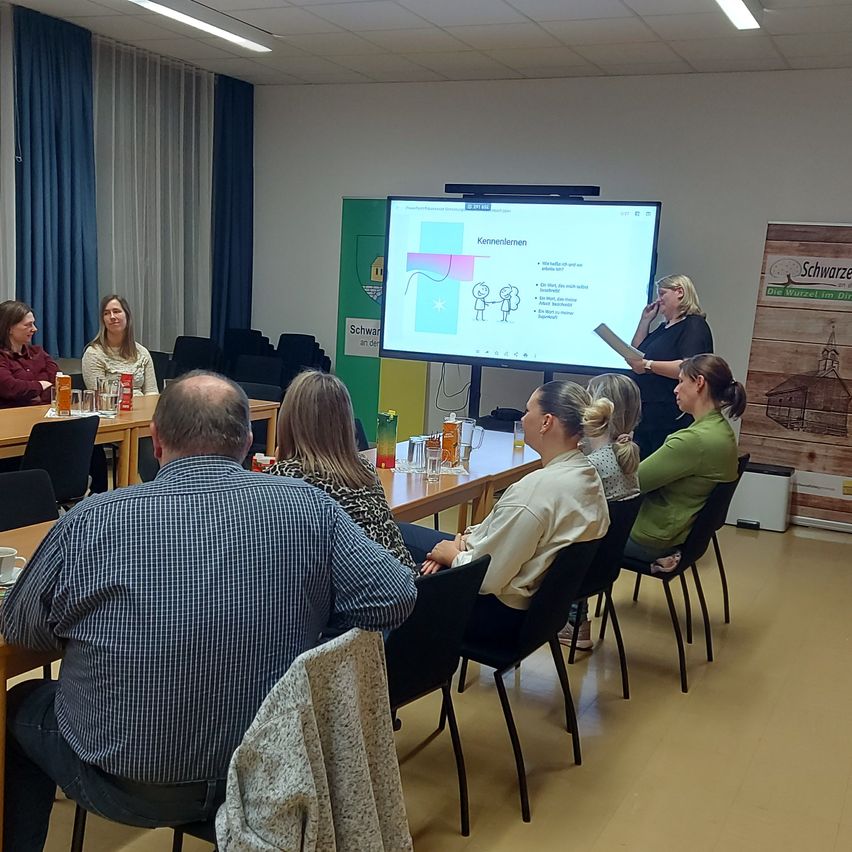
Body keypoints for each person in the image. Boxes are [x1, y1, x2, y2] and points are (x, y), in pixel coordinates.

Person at [0, 371, 417, 852]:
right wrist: (307, 621)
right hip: (270, 776)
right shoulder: (310, 508)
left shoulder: (90, 522)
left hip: (123, 784)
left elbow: (21, 627)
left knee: (19, 704)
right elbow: (395, 595)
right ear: (247, 443)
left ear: (154, 442)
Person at [401, 380, 609, 644]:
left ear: (546, 422)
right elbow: (500, 540)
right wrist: (462, 542)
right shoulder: (587, 476)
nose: (523, 418)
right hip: (536, 616)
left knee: (396, 533)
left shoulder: (535, 491)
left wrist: (452, 555)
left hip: (494, 615)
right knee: (416, 542)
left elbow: (487, 578)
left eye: (527, 411)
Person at [267, 370, 417, 575]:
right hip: (406, 585)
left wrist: (281, 460)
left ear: (289, 420)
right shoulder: (363, 465)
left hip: (361, 601)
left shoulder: (286, 475)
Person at [626, 354, 746, 573]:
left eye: (681, 381)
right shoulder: (722, 431)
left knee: (575, 539)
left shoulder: (692, 441)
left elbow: (632, 483)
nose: (675, 389)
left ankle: (574, 608)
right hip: (681, 536)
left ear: (699, 383)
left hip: (651, 538)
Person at [558, 373, 642, 651]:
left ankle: (567, 622)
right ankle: (577, 622)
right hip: (601, 570)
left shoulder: (591, 467)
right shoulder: (626, 458)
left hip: (577, 569)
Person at [626, 274, 713, 459]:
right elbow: (637, 352)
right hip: (648, 413)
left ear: (680, 292)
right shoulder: (663, 328)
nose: (658, 300)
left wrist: (648, 365)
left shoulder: (693, 325)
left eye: (662, 293)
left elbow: (688, 365)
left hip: (670, 413)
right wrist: (645, 321)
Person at [81, 294, 158, 396]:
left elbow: (152, 392)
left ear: (127, 315)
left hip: (143, 409)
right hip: (111, 409)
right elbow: (100, 397)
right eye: (106, 313)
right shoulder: (93, 353)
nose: (112, 317)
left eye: (116, 311)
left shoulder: (142, 352)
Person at [0, 300, 58, 410]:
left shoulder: (38, 352)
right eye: (28, 325)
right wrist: (40, 386)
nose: (34, 329)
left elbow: (59, 382)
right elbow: (11, 388)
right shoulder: (2, 357)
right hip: (12, 419)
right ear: (9, 329)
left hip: (46, 414)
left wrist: (32, 394)